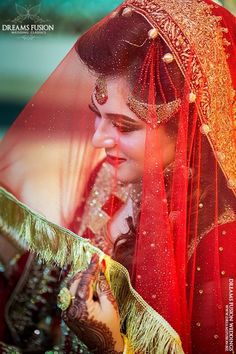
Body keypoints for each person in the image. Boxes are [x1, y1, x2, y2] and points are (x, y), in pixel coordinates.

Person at [0, 0, 235, 353]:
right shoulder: (110, 178)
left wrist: (110, 345)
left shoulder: (220, 243)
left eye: (124, 125)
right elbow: (45, 294)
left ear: (187, 132)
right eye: (97, 114)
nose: (98, 139)